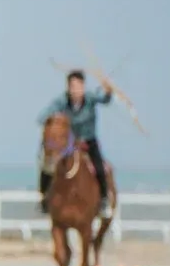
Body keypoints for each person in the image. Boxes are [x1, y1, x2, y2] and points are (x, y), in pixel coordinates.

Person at [37, 69, 113, 217]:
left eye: (78, 86)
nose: (75, 90)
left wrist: (108, 91)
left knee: (99, 166)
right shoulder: (62, 101)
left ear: (83, 87)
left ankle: (104, 199)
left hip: (89, 140)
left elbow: (105, 99)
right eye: (72, 86)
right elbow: (44, 115)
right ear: (68, 87)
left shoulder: (91, 98)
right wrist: (50, 120)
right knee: (48, 165)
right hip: (70, 143)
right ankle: (45, 198)